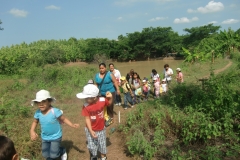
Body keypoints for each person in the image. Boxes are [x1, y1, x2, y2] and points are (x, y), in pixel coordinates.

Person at [30, 90, 79, 160]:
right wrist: (32, 131)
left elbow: (63, 119)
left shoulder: (55, 111)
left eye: (44, 101)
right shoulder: (38, 113)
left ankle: (62, 150)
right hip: (44, 137)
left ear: (49, 102)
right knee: (45, 154)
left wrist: (72, 125)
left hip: (55, 136)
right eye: (38, 102)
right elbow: (35, 122)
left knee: (54, 155)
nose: (41, 104)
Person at [77, 84, 113, 160]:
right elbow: (87, 119)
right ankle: (94, 156)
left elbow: (109, 103)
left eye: (87, 98)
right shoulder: (86, 106)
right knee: (92, 144)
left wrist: (111, 97)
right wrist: (91, 130)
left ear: (94, 97)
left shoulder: (102, 100)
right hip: (90, 129)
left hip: (101, 128)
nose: (85, 100)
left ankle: (103, 156)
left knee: (102, 143)